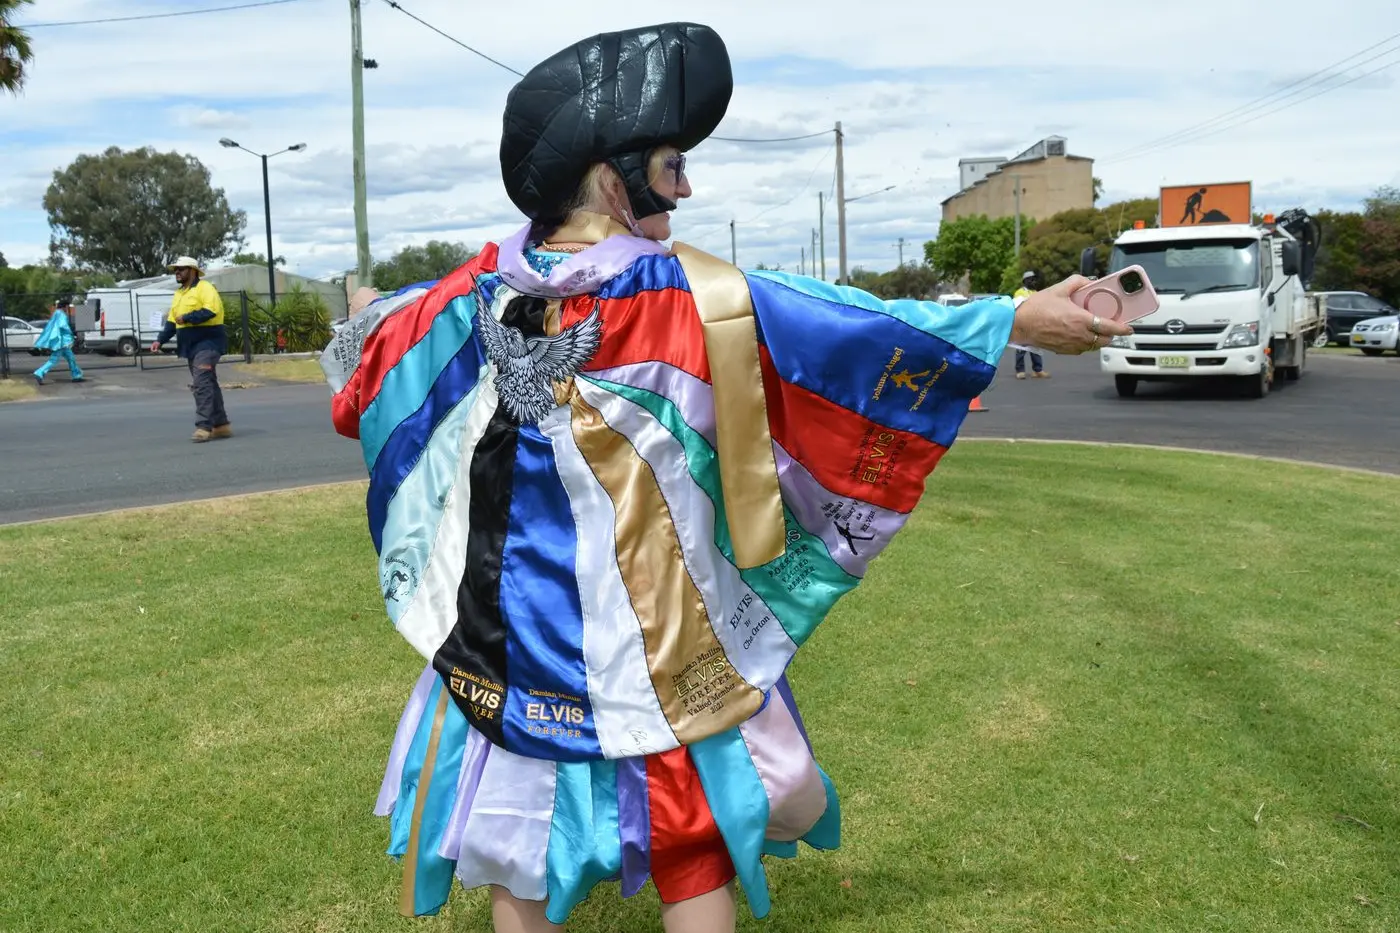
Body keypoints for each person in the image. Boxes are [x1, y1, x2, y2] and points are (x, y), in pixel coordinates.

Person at [322, 23, 1131, 933]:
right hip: (665, 641)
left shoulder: (468, 297)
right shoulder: (693, 296)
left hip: (509, 641)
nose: (688, 186)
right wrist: (1015, 315)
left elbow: (367, 362)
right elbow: (849, 328)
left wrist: (364, 321)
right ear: (610, 176)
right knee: (690, 836)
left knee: (521, 846)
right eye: (672, 166)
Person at [150, 256, 231, 442]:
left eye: (181, 269)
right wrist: (159, 341)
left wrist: (188, 317)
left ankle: (204, 427)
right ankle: (221, 425)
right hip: (190, 346)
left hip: (208, 343)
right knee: (208, 383)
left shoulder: (205, 288)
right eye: (175, 270)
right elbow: (172, 321)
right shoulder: (179, 294)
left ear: (193, 270)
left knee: (201, 384)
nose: (177, 272)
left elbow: (211, 310)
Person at [33, 304, 84, 385]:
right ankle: (39, 372)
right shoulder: (61, 314)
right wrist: (71, 332)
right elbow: (63, 325)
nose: (67, 309)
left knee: (71, 358)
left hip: (60, 342)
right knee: (54, 360)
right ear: (65, 307)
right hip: (62, 342)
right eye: (67, 307)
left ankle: (77, 376)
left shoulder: (56, 313)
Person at [1011, 269, 1048, 379]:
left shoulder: (1036, 293)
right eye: (1031, 280)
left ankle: (1038, 370)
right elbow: (1017, 307)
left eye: (1034, 280)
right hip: (1023, 324)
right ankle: (1020, 371)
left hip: (1034, 325)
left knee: (1036, 348)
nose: (1033, 282)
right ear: (1025, 281)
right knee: (1021, 348)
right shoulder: (1019, 292)